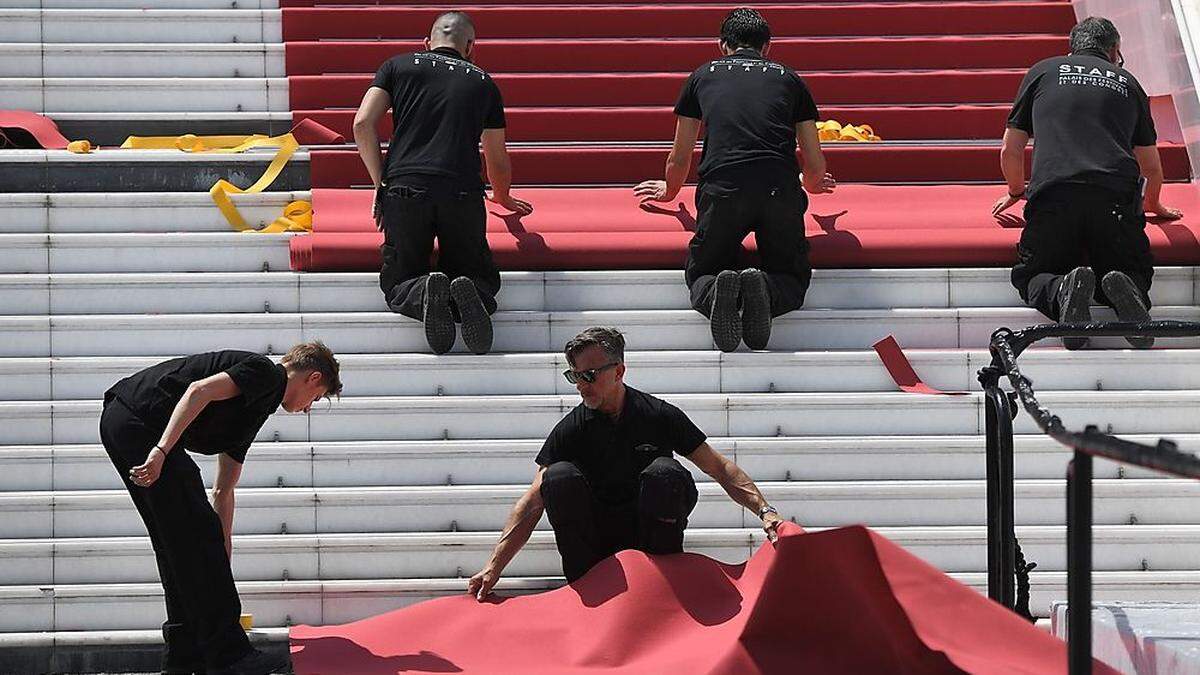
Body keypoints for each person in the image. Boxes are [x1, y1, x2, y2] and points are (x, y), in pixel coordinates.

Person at [468, 327, 785, 598]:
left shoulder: (658, 414)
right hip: (595, 548)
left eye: (589, 375)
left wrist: (765, 511)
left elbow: (719, 468)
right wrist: (493, 567)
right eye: (574, 376)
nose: (581, 385)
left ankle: (665, 581)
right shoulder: (571, 430)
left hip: (650, 536)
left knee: (666, 472)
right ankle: (585, 589)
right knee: (558, 477)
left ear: (618, 371)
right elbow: (533, 500)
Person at [99, 343, 341, 675]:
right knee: (194, 538)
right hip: (141, 424)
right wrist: (161, 450)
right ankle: (230, 656)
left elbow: (223, 491)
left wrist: (221, 553)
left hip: (124, 420)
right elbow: (199, 391)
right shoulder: (268, 375)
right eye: (316, 398)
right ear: (313, 378)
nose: (308, 408)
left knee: (181, 546)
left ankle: (184, 657)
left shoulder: (252, 408)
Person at [634, 7, 836, 353]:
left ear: (721, 45)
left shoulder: (702, 75)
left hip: (723, 186)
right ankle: (766, 291)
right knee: (791, 274)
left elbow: (680, 154)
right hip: (778, 186)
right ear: (767, 47)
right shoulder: (789, 78)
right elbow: (815, 165)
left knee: (703, 270)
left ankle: (717, 292)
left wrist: (669, 192)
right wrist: (812, 183)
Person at [992, 16, 1182, 350]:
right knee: (1129, 267)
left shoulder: (1043, 72)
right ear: (1114, 50)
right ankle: (1127, 290)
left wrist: (1016, 190)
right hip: (1115, 199)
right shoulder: (1129, 82)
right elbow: (1151, 166)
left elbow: (1011, 148)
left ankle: (1062, 290)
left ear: (1073, 47)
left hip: (1055, 193)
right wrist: (1154, 205)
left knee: (1033, 274)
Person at [353, 10, 532, 355]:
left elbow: (362, 124)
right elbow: (496, 156)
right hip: (461, 191)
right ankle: (464, 290)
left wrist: (381, 184)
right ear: (470, 47)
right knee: (478, 275)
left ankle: (422, 290)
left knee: (399, 279)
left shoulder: (396, 66)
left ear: (426, 42)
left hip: (406, 186)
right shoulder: (483, 82)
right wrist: (503, 196)